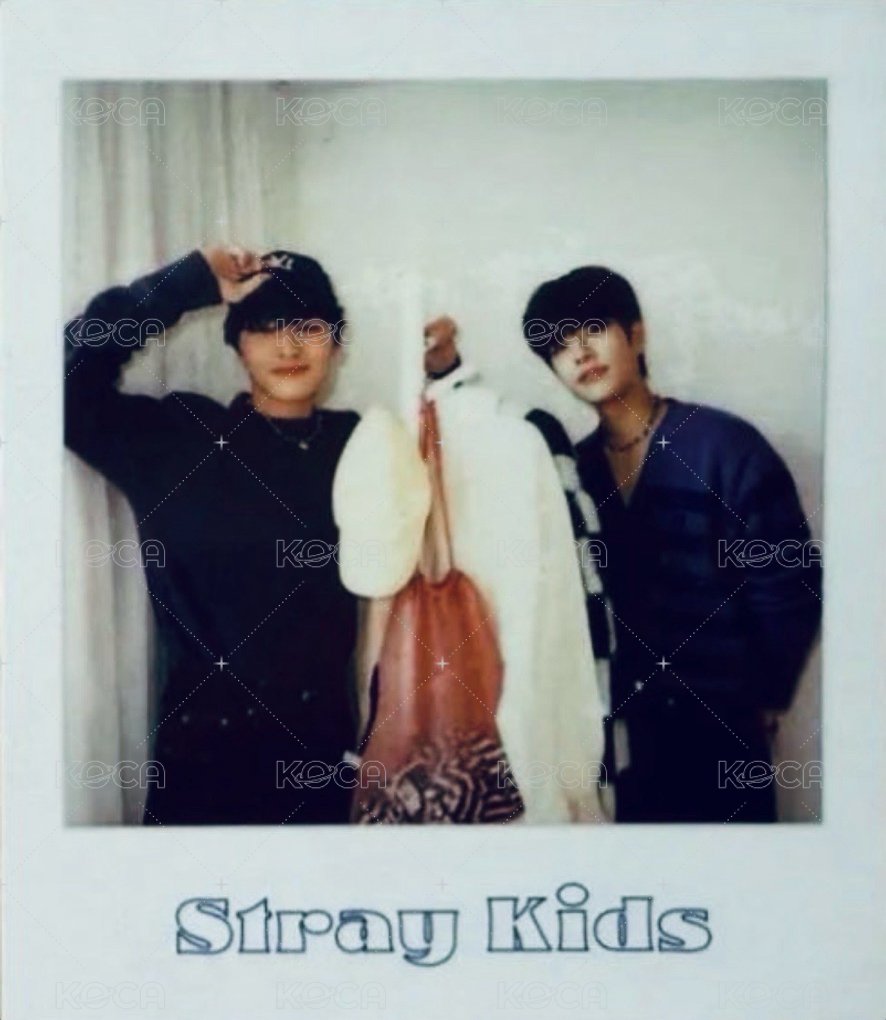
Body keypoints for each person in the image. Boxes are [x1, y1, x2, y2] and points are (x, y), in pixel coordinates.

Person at [65, 245, 360, 825]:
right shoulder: (180, 440)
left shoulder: (362, 445)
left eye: (308, 326)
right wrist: (187, 282)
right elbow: (54, 385)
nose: (289, 347)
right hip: (203, 766)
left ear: (336, 341)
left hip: (325, 762)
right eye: (265, 326)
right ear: (236, 343)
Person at [521, 266, 822, 822]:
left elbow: (790, 580)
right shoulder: (574, 474)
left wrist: (763, 694)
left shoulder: (725, 446)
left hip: (723, 734)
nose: (579, 352)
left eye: (593, 329)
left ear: (636, 334)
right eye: (559, 346)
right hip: (622, 749)